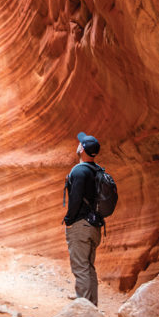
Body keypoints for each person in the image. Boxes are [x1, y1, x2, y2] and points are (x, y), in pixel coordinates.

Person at [63, 130, 103, 306]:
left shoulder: (79, 171)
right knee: (88, 267)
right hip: (95, 225)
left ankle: (83, 309)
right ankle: (91, 306)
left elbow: (75, 199)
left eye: (80, 143)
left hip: (81, 225)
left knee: (80, 268)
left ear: (82, 149)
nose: (78, 144)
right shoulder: (97, 171)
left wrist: (69, 221)